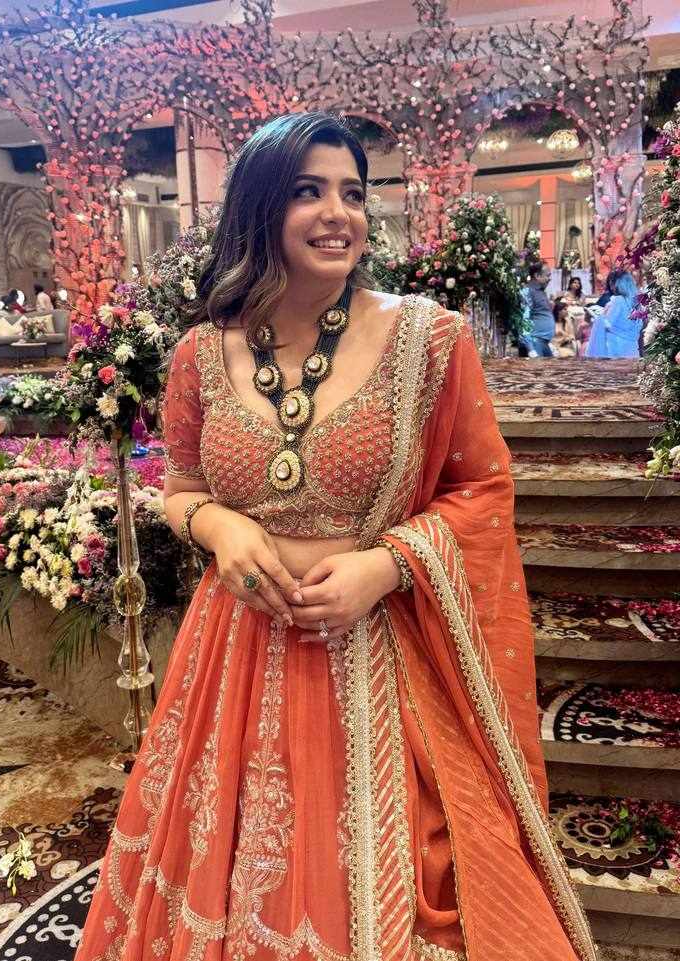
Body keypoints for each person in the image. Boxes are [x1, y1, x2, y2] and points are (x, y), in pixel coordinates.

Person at [74, 112, 594, 961]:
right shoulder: (200, 355)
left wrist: (387, 565)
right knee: (225, 870)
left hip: (382, 653)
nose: (338, 214)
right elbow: (180, 487)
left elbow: (483, 490)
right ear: (260, 207)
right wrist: (220, 525)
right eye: (308, 191)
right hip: (236, 656)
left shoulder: (429, 341)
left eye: (353, 193)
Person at [586, 270, 641, 359]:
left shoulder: (618, 300)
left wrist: (598, 317)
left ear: (619, 284)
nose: (611, 287)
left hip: (616, 344)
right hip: (632, 346)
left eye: (612, 283)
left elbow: (608, 324)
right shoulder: (637, 301)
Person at [524, 262, 555, 357]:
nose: (549, 279)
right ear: (537, 276)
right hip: (535, 342)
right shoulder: (527, 291)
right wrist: (530, 348)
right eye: (547, 276)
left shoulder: (541, 292)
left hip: (544, 342)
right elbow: (524, 320)